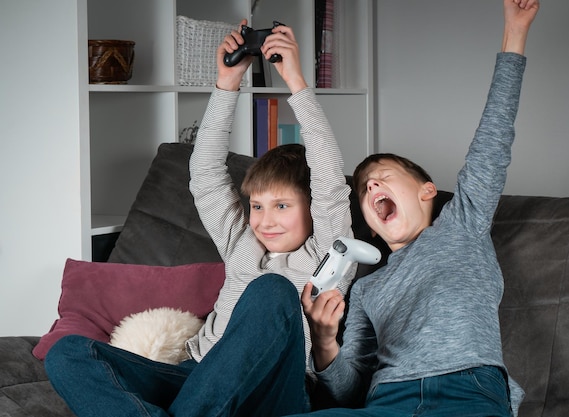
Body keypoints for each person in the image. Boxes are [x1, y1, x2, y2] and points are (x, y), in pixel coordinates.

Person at [45, 22, 353, 417]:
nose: (265, 220)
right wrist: (227, 83)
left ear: (312, 209)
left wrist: (294, 79)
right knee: (68, 352)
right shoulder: (242, 244)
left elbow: (328, 179)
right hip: (196, 377)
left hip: (272, 389)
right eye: (257, 206)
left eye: (282, 206)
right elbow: (205, 173)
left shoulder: (328, 257)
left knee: (271, 291)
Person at [292, 1, 541, 416]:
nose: (371, 185)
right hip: (387, 401)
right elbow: (347, 392)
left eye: (384, 176)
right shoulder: (368, 288)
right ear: (371, 228)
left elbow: (492, 144)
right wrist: (323, 340)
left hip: (467, 390)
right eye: (364, 190)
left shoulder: (462, 224)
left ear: (428, 191)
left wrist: (514, 35)